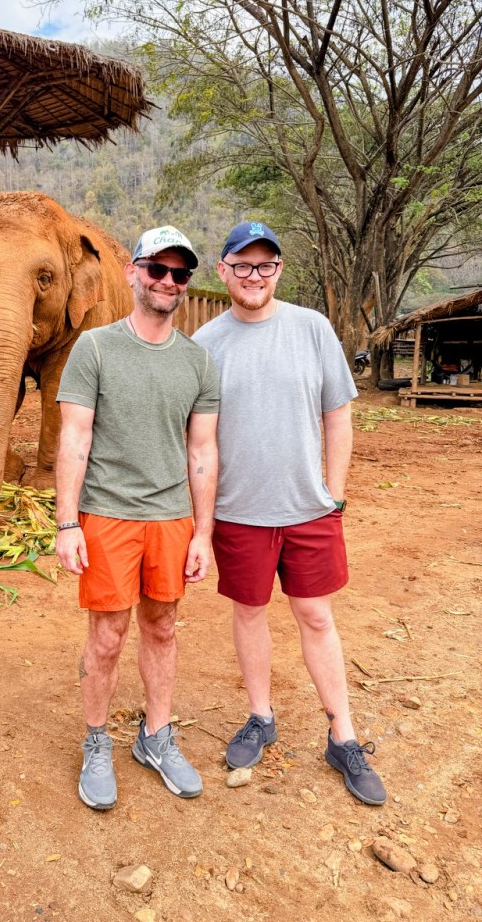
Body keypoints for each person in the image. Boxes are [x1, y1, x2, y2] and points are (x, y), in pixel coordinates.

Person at [192, 221, 387, 806]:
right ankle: (260, 716)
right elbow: (198, 439)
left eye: (266, 266)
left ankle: (342, 734)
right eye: (243, 265)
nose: (255, 276)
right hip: (240, 512)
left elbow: (338, 414)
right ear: (223, 271)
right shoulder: (206, 343)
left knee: (317, 617)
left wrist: (335, 491)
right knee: (249, 613)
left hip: (308, 508)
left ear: (279, 270)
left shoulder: (312, 328)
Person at [55, 225, 220, 811]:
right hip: (106, 514)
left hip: (172, 519)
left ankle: (155, 734)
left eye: (180, 274)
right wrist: (67, 522)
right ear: (133, 273)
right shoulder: (95, 348)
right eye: (157, 269)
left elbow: (202, 451)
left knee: (163, 626)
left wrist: (203, 533)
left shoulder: (198, 361)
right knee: (107, 635)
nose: (168, 282)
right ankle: (97, 739)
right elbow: (75, 438)